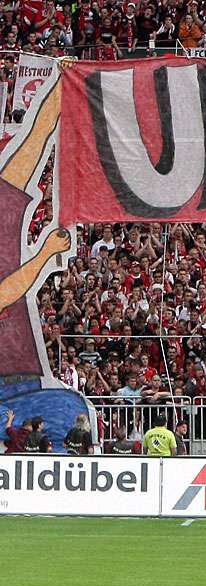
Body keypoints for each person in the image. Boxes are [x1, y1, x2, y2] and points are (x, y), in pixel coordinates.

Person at [0, 80, 89, 450]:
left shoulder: (4, 197)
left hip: (26, 386)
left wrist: (62, 86)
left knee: (68, 411)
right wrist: (44, 254)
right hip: (12, 387)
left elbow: (35, 139)